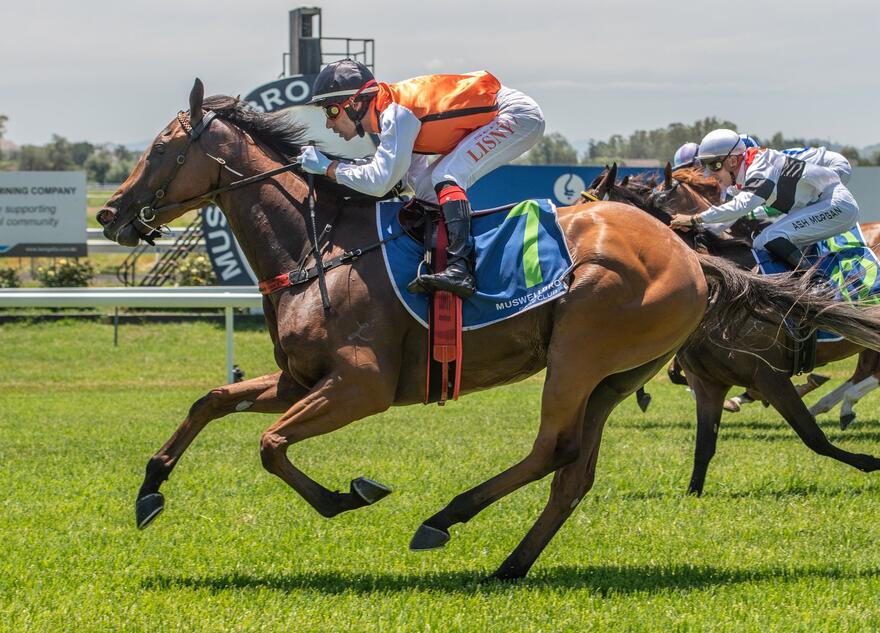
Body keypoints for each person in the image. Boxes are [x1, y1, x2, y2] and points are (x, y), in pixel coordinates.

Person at [297, 60, 546, 298]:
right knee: (427, 188)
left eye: (331, 110)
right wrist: (343, 170)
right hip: (500, 112)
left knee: (445, 176)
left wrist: (329, 168)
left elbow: (380, 182)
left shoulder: (396, 115)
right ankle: (440, 258)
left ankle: (461, 267)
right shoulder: (390, 113)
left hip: (515, 114)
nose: (329, 124)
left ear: (354, 103)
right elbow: (407, 180)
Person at [669, 128, 859, 268]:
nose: (710, 173)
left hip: (836, 203)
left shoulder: (760, 166)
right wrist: (698, 228)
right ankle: (810, 278)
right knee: (763, 240)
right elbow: (733, 213)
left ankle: (818, 284)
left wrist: (695, 219)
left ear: (733, 160)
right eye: (706, 166)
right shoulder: (745, 175)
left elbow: (741, 207)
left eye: (714, 165)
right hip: (826, 200)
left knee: (771, 236)